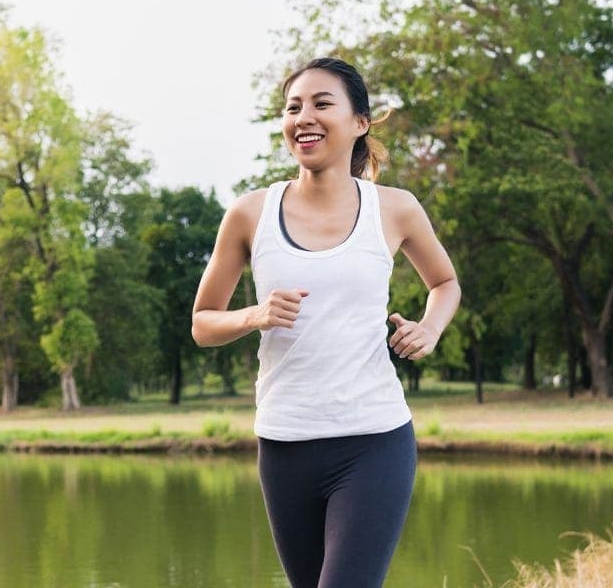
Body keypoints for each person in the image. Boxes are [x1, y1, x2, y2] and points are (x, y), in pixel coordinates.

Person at [191, 57, 461, 588]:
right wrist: (256, 314)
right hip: (284, 444)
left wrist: (429, 330)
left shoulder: (395, 209)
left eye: (321, 104)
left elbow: (445, 283)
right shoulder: (249, 214)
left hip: (374, 440)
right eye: (293, 107)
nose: (303, 118)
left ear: (359, 122)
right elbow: (203, 323)